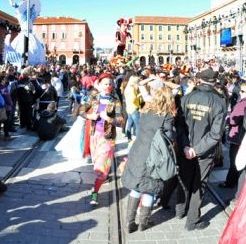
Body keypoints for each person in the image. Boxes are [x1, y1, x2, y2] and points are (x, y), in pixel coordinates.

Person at [175, 67, 227, 230]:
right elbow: (216, 134)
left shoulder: (187, 97)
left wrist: (185, 146)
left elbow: (179, 125)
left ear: (200, 80)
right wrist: (196, 150)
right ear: (214, 82)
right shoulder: (219, 102)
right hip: (204, 151)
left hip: (186, 147)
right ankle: (192, 221)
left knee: (184, 179)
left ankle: (180, 210)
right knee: (199, 183)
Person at [121, 84, 176, 232]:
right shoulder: (167, 116)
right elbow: (169, 137)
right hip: (153, 156)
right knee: (150, 189)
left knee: (137, 187)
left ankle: (129, 223)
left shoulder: (145, 110)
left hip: (138, 151)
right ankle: (143, 222)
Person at [79, 73, 124, 206]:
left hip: (107, 138)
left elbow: (120, 121)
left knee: (101, 168)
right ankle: (99, 181)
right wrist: (89, 116)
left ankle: (95, 192)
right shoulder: (93, 98)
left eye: (110, 83)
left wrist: (108, 118)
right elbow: (81, 110)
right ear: (99, 84)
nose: (108, 86)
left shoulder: (115, 101)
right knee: (96, 164)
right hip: (94, 136)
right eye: (106, 83)